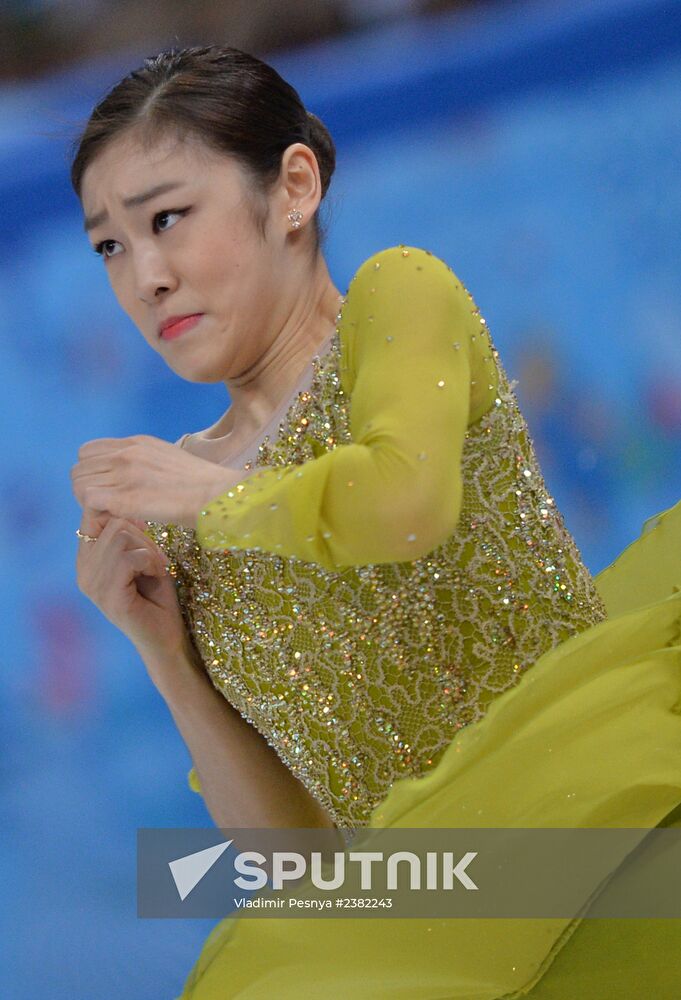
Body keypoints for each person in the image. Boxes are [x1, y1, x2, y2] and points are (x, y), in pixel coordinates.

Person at [69, 44, 681, 999]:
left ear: (293, 188)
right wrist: (165, 660)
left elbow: (403, 504)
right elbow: (306, 878)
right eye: (109, 244)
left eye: (168, 217)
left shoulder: (397, 301)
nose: (144, 276)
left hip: (619, 850)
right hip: (450, 939)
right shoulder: (182, 507)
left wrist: (206, 497)